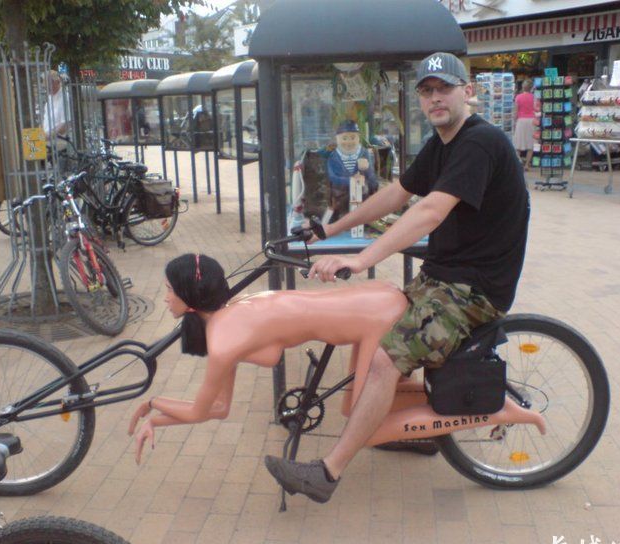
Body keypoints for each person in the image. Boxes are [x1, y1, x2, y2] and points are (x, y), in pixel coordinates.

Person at [263, 52, 530, 503]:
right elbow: (396, 194)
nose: (435, 98)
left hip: (473, 291)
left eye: (444, 88)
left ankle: (327, 473)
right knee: (374, 323)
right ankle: (407, 429)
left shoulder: (479, 142)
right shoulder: (441, 144)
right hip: (442, 277)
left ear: (468, 92)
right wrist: (329, 228)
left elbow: (429, 211)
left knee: (386, 360)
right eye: (426, 91)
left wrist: (361, 259)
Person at [128, 254, 541, 470]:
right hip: (370, 303)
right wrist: (156, 416)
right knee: (352, 407)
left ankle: (493, 410)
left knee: (366, 428)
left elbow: (207, 410)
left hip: (374, 315)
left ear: (189, 296)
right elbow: (243, 382)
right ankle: (466, 397)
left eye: (168, 290)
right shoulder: (233, 313)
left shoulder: (224, 337)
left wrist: (152, 407)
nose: (164, 297)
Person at [513, 79, 537, 170]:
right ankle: (527, 164)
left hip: (521, 120)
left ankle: (519, 162)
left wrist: (514, 121)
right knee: (530, 143)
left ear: (523, 87)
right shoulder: (534, 97)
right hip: (532, 121)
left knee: (518, 143)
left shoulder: (518, 97)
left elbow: (516, 111)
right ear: (531, 88)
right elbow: (536, 109)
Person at [42, 70, 69, 142]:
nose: (46, 87)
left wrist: (48, 136)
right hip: (47, 140)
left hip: (58, 142)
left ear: (57, 82)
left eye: (48, 83)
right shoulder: (49, 98)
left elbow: (65, 124)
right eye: (45, 84)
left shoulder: (64, 98)